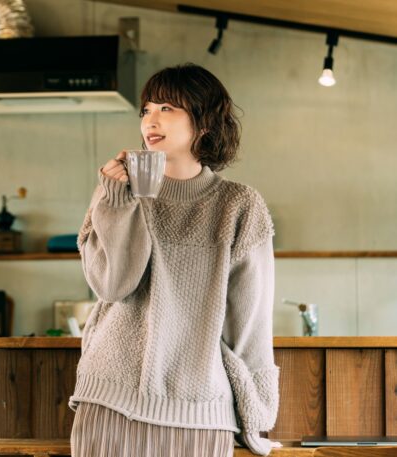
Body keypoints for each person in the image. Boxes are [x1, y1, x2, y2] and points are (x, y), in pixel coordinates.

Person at [69, 63, 281, 457]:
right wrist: (118, 203)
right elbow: (113, 287)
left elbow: (249, 321)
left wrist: (258, 414)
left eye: (166, 108)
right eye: (146, 109)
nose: (151, 119)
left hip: (200, 412)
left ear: (204, 122)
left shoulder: (239, 205)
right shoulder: (115, 193)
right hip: (111, 403)